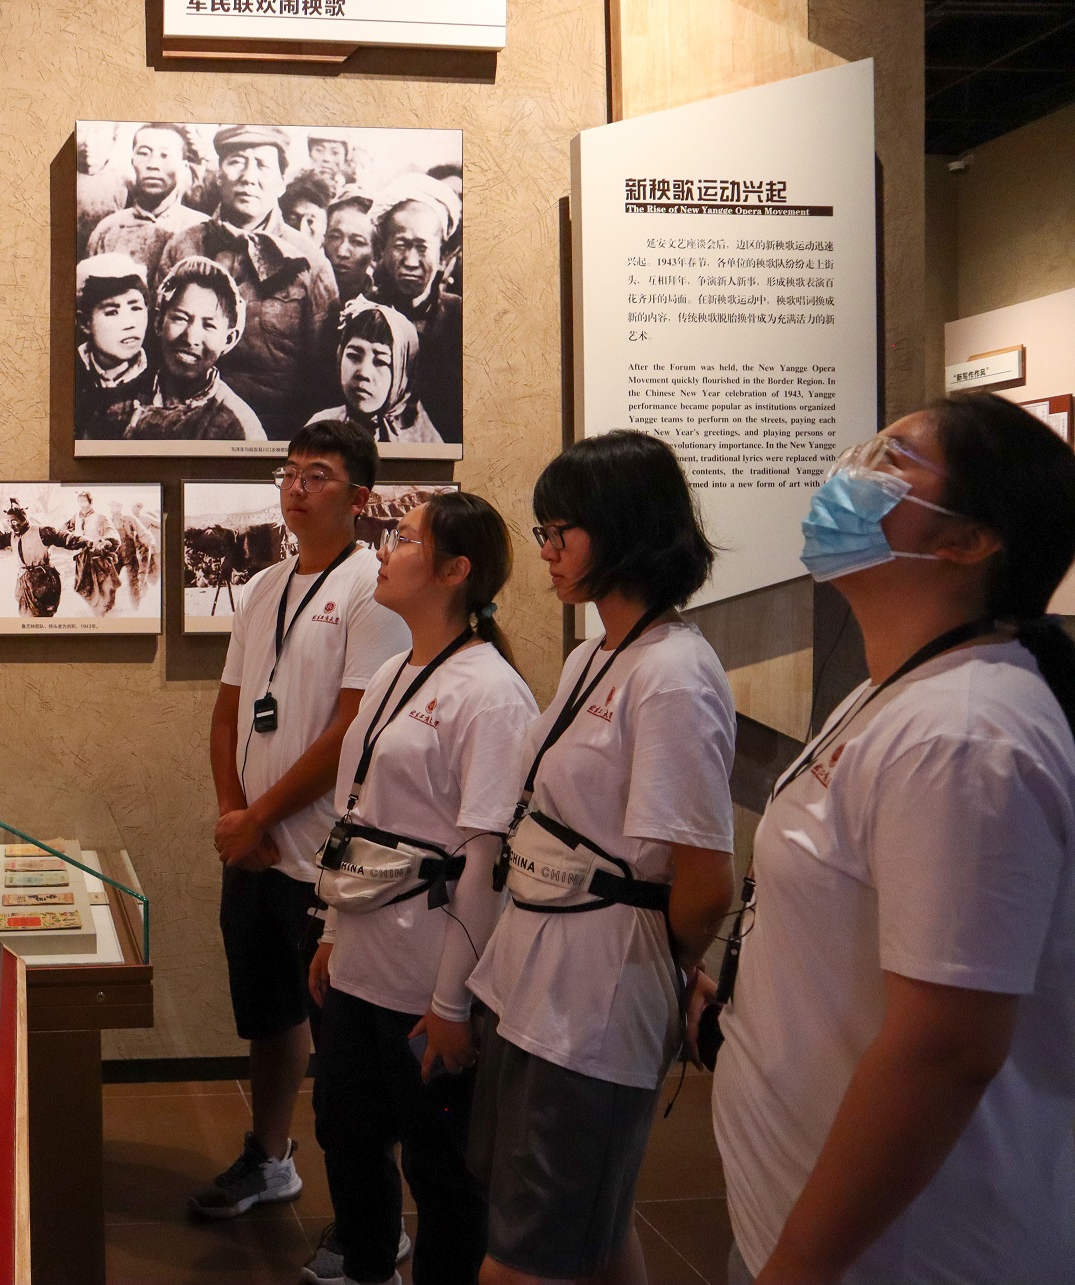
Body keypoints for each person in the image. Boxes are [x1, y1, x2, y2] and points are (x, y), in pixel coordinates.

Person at [707, 395, 1075, 1285]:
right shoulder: (895, 690)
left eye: (892, 459)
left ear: (969, 540)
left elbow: (946, 1048)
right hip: (805, 1218)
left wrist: (799, 1265)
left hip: (893, 1254)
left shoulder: (964, 732)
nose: (848, 471)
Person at [466, 428, 736, 1285]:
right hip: (539, 970)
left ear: (622, 530)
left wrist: (670, 962)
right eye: (543, 530)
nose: (546, 551)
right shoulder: (597, 652)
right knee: (589, 1230)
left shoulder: (673, 673)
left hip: (596, 992)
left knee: (529, 1254)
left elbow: (705, 880)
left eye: (561, 531)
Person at [304, 492, 537, 1285]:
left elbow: (485, 859)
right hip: (361, 959)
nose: (384, 549)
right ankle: (367, 1263)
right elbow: (355, 817)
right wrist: (330, 932)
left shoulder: (491, 691)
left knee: (442, 1171)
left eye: (403, 538)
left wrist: (451, 1004)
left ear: (454, 570)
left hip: (428, 974)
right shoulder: (390, 673)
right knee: (345, 1129)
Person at [192, 420, 411, 1219]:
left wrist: (260, 817)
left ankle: (370, 1221)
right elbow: (227, 712)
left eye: (317, 475)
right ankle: (270, 1156)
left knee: (347, 1043)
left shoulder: (372, 590)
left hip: (322, 854)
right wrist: (234, 814)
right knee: (269, 1015)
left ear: (359, 498)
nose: (296, 487)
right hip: (254, 846)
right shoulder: (263, 585)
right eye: (289, 472)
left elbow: (352, 728)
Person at [160, 125, 339, 440]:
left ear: (281, 182)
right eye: (237, 161)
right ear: (219, 176)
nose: (248, 176)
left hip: (274, 437)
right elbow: (155, 343)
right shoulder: (183, 246)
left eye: (262, 165)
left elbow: (325, 377)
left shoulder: (310, 262)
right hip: (187, 429)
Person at [100, 256, 265, 442]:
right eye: (180, 318)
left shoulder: (237, 426)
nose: (190, 338)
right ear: (158, 321)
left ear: (228, 339)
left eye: (209, 325)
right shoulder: (119, 403)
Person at [365, 179, 463, 445]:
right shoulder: (360, 314)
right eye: (400, 245)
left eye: (422, 247)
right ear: (382, 250)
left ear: (442, 256)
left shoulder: (460, 317)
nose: (410, 261)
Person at [307, 299, 447, 447]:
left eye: (381, 362)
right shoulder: (321, 426)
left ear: (402, 374)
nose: (363, 373)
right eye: (354, 356)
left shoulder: (424, 441)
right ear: (340, 355)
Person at [86, 122, 208, 287]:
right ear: (132, 161)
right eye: (144, 153)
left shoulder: (202, 229)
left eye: (164, 155)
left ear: (183, 166)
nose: (153, 165)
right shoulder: (107, 230)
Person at [72, 253, 156, 437]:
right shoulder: (69, 375)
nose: (129, 324)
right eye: (112, 312)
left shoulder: (159, 381)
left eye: (136, 308)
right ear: (85, 323)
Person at [322, 188, 376, 308]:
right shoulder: (303, 297)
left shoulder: (382, 309)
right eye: (335, 237)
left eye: (357, 242)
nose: (342, 252)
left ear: (375, 251)